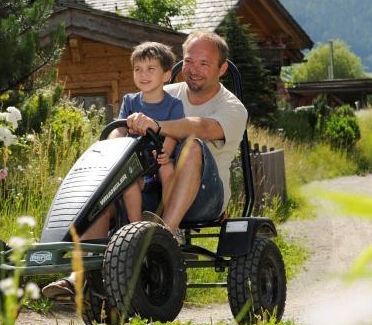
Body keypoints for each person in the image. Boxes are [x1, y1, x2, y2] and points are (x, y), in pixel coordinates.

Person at [42, 30, 248, 301]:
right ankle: (80, 276)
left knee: (193, 145)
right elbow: (125, 124)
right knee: (105, 194)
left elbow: (204, 128)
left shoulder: (233, 107)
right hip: (151, 187)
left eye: (204, 63)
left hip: (204, 197)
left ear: (221, 69)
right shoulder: (162, 92)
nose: (193, 69)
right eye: (189, 61)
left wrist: (157, 125)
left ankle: (165, 237)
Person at [115, 42, 184, 223]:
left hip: (161, 158)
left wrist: (165, 153)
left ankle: (170, 223)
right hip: (136, 160)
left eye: (150, 69)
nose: (143, 74)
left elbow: (173, 134)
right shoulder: (129, 101)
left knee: (167, 170)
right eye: (137, 69)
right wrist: (112, 144)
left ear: (166, 75)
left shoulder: (174, 104)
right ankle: (135, 227)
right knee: (128, 181)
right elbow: (119, 130)